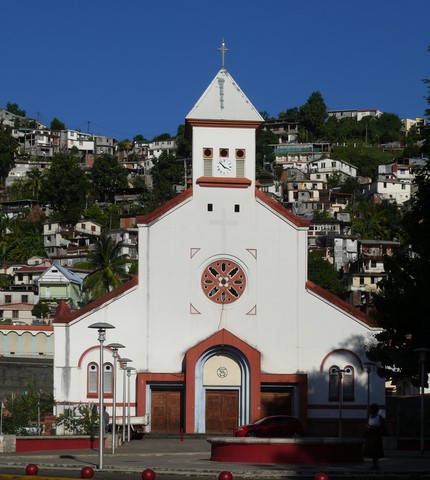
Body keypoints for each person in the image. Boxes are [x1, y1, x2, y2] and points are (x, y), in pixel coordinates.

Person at [364, 403, 385, 470]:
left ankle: (376, 465)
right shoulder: (370, 417)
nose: (370, 410)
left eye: (371, 409)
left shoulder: (379, 417)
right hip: (370, 435)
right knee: (372, 451)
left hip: (376, 435)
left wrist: (376, 427)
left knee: (376, 451)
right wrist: (368, 427)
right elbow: (368, 424)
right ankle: (374, 465)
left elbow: (383, 425)